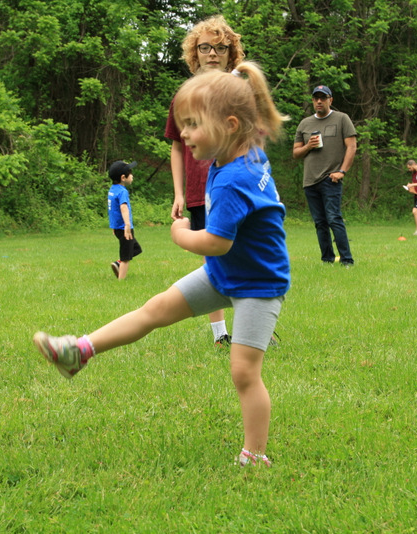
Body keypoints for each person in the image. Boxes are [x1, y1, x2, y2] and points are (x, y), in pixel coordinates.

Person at [34, 62, 289, 467]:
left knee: (243, 372)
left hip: (259, 283)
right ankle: (79, 351)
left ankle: (254, 455)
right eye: (182, 124)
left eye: (191, 124)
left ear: (229, 124)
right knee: (153, 309)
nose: (182, 134)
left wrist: (179, 235)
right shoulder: (242, 150)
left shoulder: (232, 178)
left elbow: (217, 243)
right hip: (225, 275)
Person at [165, 14, 245, 347]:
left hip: (237, 186)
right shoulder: (184, 98)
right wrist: (179, 193)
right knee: (212, 259)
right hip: (201, 191)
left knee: (244, 254)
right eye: (205, 48)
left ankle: (250, 331)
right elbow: (177, 147)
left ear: (232, 54)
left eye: (221, 48)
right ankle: (220, 335)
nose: (213, 54)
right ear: (194, 54)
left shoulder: (240, 92)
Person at [293, 85, 357, 266]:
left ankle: (347, 260)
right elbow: (296, 153)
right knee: (320, 222)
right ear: (313, 101)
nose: (319, 101)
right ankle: (327, 259)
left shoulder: (342, 118)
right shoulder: (304, 124)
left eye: (323, 97)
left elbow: (351, 147)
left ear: (331, 100)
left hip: (331, 178)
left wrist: (342, 171)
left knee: (334, 218)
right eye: (316, 98)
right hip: (310, 180)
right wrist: (308, 146)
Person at [107, 160, 142, 280]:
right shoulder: (122, 192)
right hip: (125, 228)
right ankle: (121, 281)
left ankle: (117, 264)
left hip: (118, 228)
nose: (132, 176)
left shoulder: (112, 190)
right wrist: (127, 225)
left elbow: (112, 210)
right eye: (130, 173)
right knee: (126, 257)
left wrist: (114, 226)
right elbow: (123, 207)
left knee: (136, 249)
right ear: (123, 177)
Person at [404, 159, 417, 236]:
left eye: (410, 168)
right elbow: (415, 184)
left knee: (415, 211)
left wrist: (412, 185)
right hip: (416, 195)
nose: (409, 170)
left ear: (413, 165)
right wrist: (411, 188)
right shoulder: (414, 174)